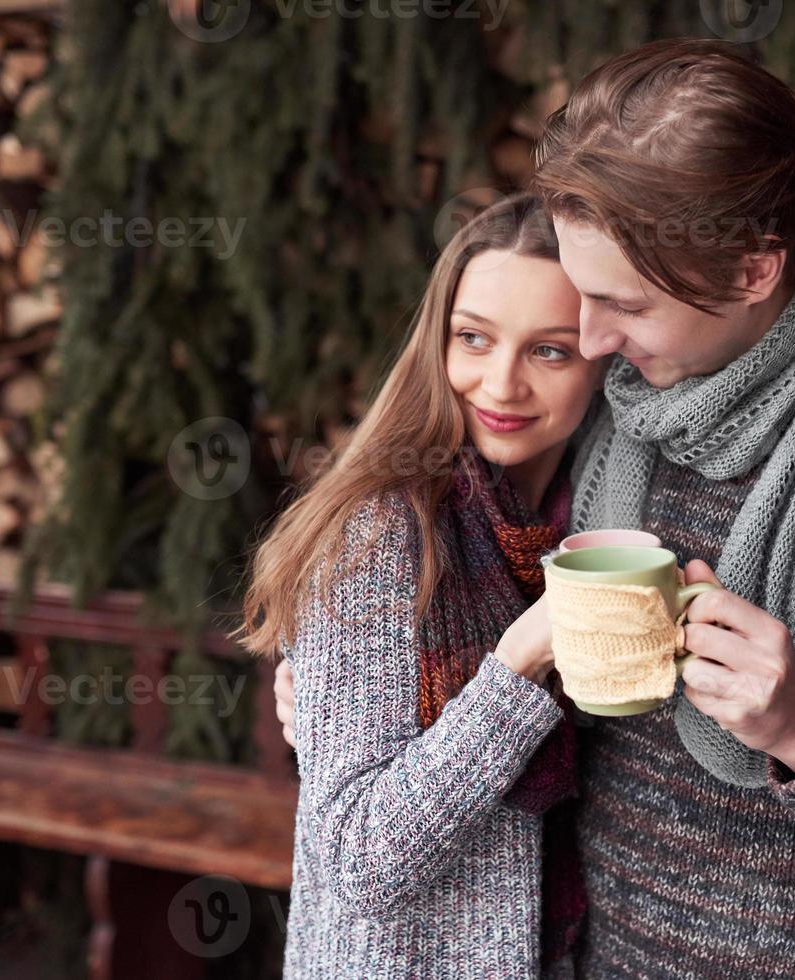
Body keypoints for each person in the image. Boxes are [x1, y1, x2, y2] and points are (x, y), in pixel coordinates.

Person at [274, 38, 795, 978]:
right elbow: (460, 563)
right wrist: (338, 693)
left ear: (750, 271)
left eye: (626, 306)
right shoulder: (611, 412)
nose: (593, 338)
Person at [237, 194, 604, 978]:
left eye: (549, 351)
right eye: (473, 339)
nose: (500, 385)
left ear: (605, 358)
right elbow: (363, 861)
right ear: (435, 341)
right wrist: (516, 667)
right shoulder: (379, 534)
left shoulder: (593, 525)